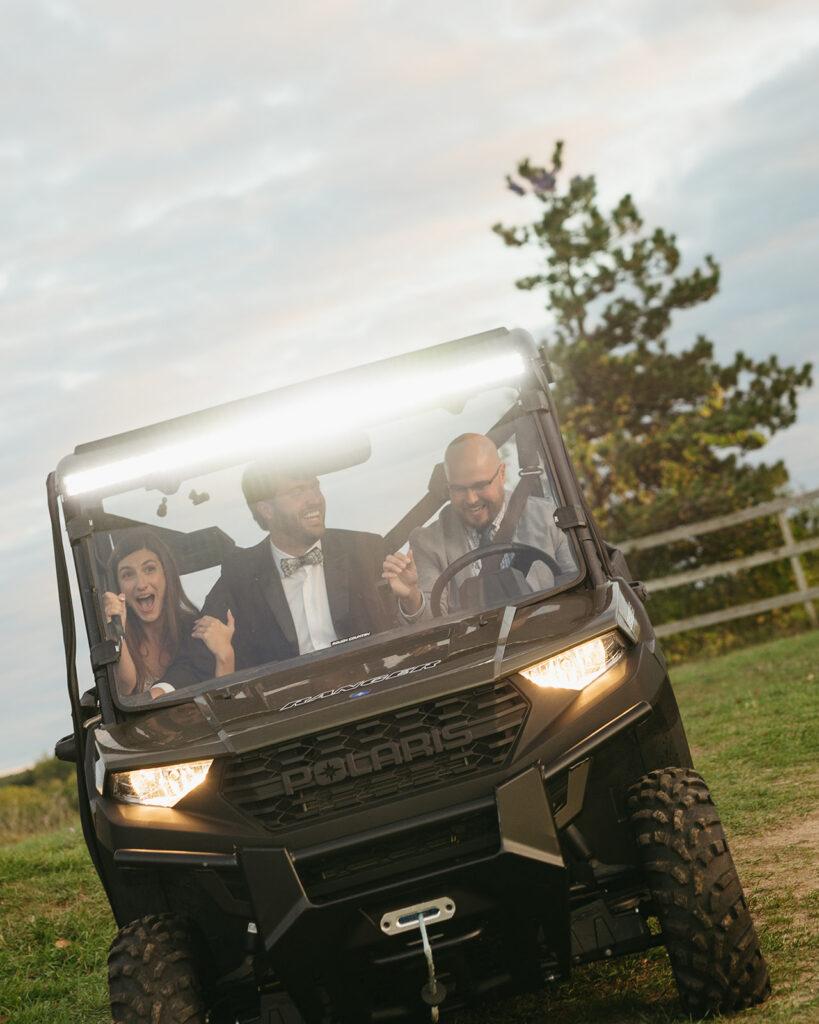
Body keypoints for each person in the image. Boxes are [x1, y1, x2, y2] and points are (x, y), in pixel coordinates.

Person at [187, 461, 396, 672]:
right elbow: (201, 648)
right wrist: (165, 690)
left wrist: (411, 600)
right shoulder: (241, 573)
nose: (315, 499)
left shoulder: (365, 549)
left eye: (315, 487)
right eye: (297, 492)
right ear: (266, 509)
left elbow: (402, 624)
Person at [382, 433, 577, 618]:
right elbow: (431, 623)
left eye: (480, 485)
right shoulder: (427, 542)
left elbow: (579, 590)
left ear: (501, 474)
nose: (471, 499)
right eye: (458, 489)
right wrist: (411, 596)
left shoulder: (548, 518)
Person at [103, 529, 235, 697]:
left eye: (149, 569)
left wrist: (225, 653)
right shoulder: (117, 639)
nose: (141, 584)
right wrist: (116, 630)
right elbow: (125, 687)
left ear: (166, 574)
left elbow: (226, 700)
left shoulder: (196, 630)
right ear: (118, 587)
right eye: (128, 575)